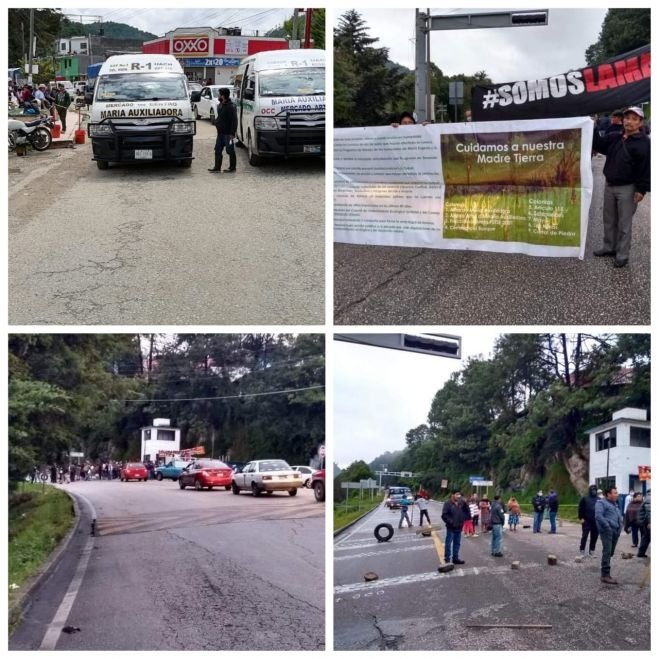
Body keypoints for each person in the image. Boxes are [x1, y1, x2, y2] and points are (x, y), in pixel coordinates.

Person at [592, 106, 651, 268]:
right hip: (609, 185)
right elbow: (598, 144)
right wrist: (593, 126)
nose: (629, 121)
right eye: (627, 118)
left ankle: (622, 254)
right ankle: (609, 247)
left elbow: (647, 168)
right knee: (609, 219)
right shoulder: (615, 137)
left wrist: (641, 190)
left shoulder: (644, 143)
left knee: (624, 223)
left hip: (628, 188)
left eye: (634, 119)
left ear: (640, 122)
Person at [595, 486, 623, 584]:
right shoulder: (601, 503)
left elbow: (619, 516)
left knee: (610, 552)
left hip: (616, 531)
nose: (617, 494)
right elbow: (598, 516)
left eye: (616, 492)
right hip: (607, 532)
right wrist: (607, 527)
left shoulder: (615, 504)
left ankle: (606, 572)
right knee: (607, 551)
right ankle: (605, 575)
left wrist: (621, 527)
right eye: (614, 493)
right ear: (608, 494)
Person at [208, 87, 237, 173]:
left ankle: (232, 167)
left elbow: (234, 121)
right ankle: (217, 167)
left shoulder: (231, 107)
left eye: (219, 94)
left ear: (223, 96)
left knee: (230, 150)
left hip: (228, 134)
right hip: (220, 133)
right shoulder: (220, 105)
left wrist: (232, 133)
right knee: (217, 150)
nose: (218, 96)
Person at [441, 490, 468, 565]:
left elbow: (466, 512)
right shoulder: (447, 504)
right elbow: (444, 515)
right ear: (452, 495)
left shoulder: (461, 503)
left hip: (459, 527)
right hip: (451, 528)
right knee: (448, 544)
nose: (458, 496)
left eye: (459, 495)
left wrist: (463, 519)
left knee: (457, 543)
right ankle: (447, 559)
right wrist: (451, 522)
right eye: (457, 494)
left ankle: (455, 558)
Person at [578, 484, 600, 557]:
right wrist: (581, 518)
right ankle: (582, 550)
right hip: (586, 521)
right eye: (592, 490)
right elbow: (580, 508)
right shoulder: (585, 498)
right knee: (584, 536)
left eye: (595, 490)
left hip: (596, 521)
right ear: (590, 490)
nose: (594, 491)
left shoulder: (599, 499)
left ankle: (592, 551)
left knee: (594, 537)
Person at [636, 489, 651, 558]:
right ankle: (641, 553)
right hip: (648, 523)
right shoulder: (650, 498)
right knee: (646, 537)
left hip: (646, 522)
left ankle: (641, 553)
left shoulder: (647, 497)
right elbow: (650, 511)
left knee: (646, 538)